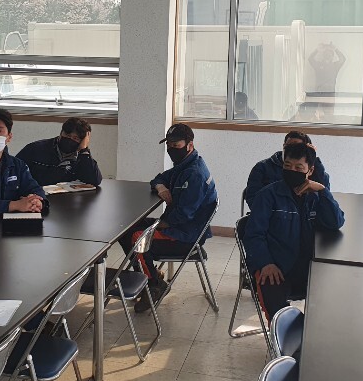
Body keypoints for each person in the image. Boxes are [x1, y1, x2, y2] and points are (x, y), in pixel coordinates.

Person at [118, 123, 218, 312]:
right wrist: (161, 188)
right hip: (178, 227)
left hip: (185, 235)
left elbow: (183, 215)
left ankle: (154, 285)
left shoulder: (194, 173)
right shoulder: (184, 165)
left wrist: (157, 226)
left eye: (176, 145)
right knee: (126, 229)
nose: (172, 149)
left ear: (189, 145)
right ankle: (150, 275)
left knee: (138, 238)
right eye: (169, 145)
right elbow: (158, 179)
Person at [243, 142, 344, 320]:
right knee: (279, 315)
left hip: (308, 268)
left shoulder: (315, 196)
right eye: (287, 166)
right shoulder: (267, 195)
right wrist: (265, 262)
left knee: (332, 305)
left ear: (310, 171)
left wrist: (323, 191)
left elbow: (335, 222)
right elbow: (253, 234)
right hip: (275, 267)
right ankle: (287, 335)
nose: (292, 171)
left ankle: (308, 333)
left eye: (299, 168)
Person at [244, 130, 330, 211]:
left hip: (307, 217)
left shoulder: (316, 171)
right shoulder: (263, 167)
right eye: (288, 147)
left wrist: (313, 158)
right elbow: (252, 198)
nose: (291, 150)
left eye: (297, 147)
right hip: (270, 215)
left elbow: (326, 202)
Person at [15, 117, 102, 187]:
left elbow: (95, 181)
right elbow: (13, 171)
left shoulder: (82, 157)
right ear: (61, 133)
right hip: (35, 197)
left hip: (66, 200)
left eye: (75, 138)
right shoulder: (36, 148)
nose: (70, 140)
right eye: (67, 135)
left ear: (82, 141)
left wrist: (84, 150)